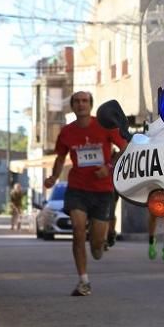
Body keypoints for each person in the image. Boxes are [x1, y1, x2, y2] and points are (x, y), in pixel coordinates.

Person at [44, 91, 128, 296]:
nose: (81, 104)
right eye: (77, 101)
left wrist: (108, 167)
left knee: (96, 247)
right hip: (77, 189)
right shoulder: (66, 132)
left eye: (84, 101)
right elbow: (60, 157)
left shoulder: (104, 125)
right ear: (72, 106)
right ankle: (83, 281)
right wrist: (54, 177)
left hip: (102, 190)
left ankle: (103, 239)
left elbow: (125, 147)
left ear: (90, 105)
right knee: (78, 232)